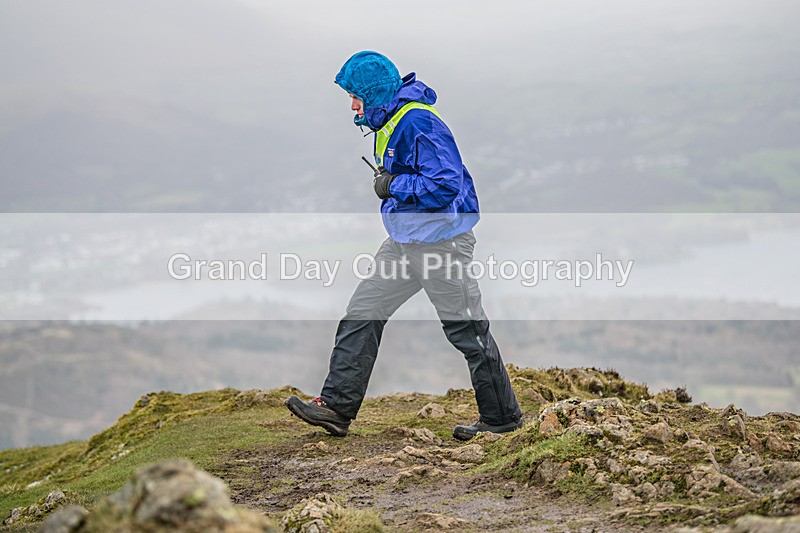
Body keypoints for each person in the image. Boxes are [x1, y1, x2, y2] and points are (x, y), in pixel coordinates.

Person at [285, 50, 522, 441]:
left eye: (354, 96)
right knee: (363, 311)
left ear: (374, 92)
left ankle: (502, 420)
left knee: (467, 330)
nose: (351, 105)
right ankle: (337, 408)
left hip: (441, 244)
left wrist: (392, 185)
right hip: (404, 242)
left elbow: (445, 185)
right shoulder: (389, 122)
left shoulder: (419, 122)